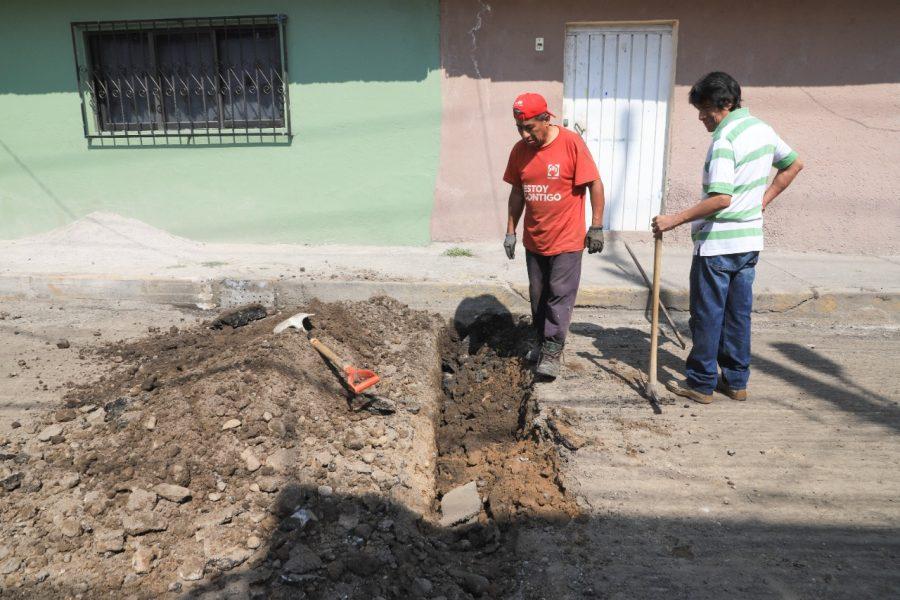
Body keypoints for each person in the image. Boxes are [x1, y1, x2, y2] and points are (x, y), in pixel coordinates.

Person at [652, 72, 803, 404]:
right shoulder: (763, 130)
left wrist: (672, 220)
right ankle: (735, 381)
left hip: (718, 244)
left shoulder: (724, 140)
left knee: (708, 315)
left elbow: (721, 198)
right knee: (738, 314)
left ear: (726, 103)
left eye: (706, 109)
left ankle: (701, 383)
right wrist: (762, 200)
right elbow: (793, 164)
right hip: (749, 243)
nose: (702, 117)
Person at [503, 92, 606, 379]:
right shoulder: (519, 151)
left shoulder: (571, 143)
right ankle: (539, 340)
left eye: (530, 127)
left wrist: (596, 226)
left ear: (546, 119)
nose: (525, 134)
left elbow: (595, 184)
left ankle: (552, 351)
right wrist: (511, 230)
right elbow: (516, 192)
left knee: (559, 295)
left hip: (567, 240)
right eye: (519, 128)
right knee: (538, 296)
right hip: (534, 240)